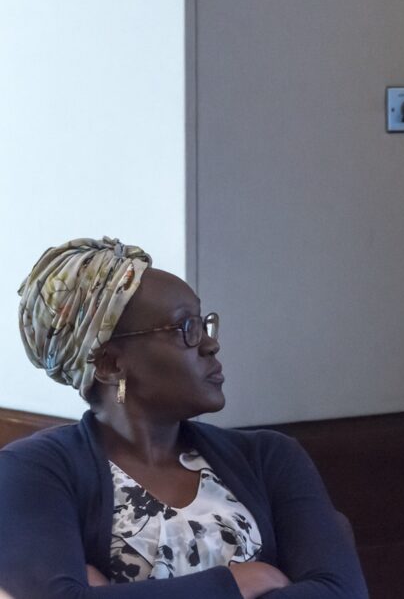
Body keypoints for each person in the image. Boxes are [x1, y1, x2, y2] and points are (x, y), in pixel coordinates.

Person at [0, 237, 369, 599]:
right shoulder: (34, 471)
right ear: (111, 364)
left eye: (205, 324)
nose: (211, 344)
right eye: (186, 328)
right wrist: (240, 583)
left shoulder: (270, 457)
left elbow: (341, 590)